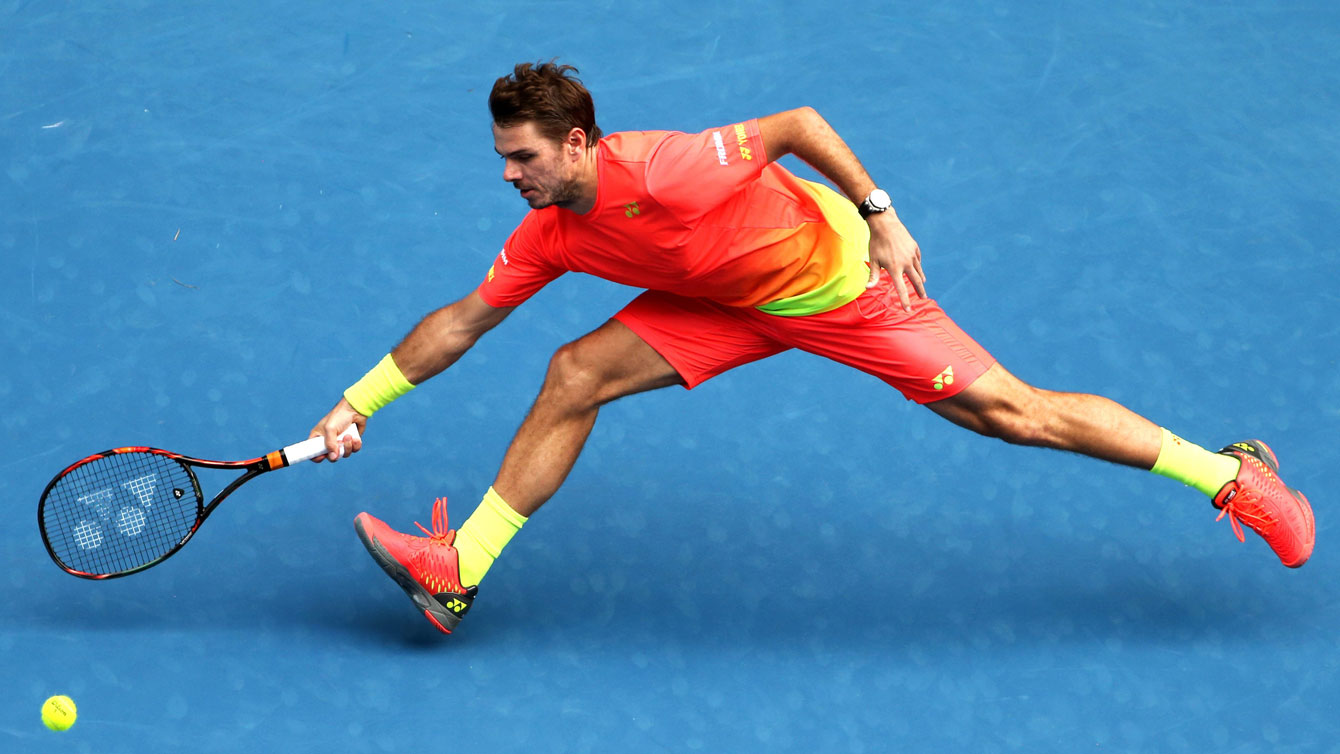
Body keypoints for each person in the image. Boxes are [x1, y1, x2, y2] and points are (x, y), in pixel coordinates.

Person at [310, 61, 1314, 636]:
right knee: (574, 372)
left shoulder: (666, 169)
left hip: (836, 286)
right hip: (717, 299)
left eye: (522, 157)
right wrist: (359, 402)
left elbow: (795, 121)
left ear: (577, 143)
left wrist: (880, 213)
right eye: (500, 159)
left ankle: (1228, 477)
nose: (508, 176)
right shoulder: (549, 232)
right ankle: (461, 567)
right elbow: (460, 321)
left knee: (1010, 413)